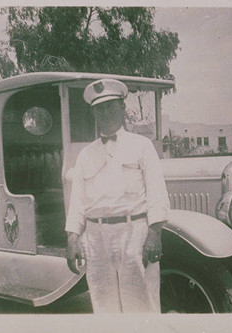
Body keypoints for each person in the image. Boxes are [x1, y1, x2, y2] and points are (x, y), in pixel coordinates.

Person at [65, 78, 170, 313]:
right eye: (99, 108)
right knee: (104, 305)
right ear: (94, 113)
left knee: (142, 305)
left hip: (134, 234)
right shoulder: (85, 154)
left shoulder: (142, 146)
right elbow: (77, 201)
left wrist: (155, 234)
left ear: (122, 107)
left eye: (111, 106)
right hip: (95, 238)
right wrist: (72, 238)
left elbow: (157, 192)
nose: (105, 113)